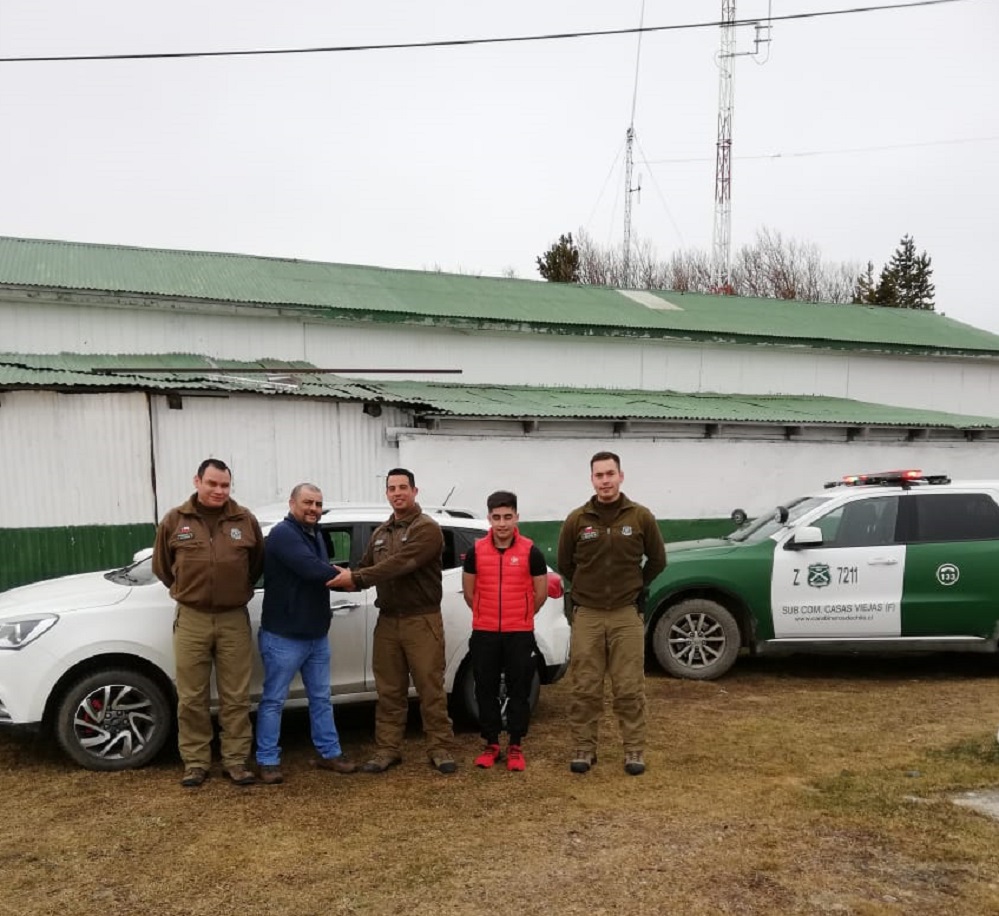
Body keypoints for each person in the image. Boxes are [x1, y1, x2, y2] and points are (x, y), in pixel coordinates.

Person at [328, 468, 457, 774]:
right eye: (391, 488)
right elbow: (363, 569)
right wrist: (333, 575)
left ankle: (440, 747)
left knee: (430, 687)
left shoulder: (428, 529)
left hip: (421, 620)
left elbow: (400, 565)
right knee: (388, 689)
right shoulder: (380, 533)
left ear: (415, 491)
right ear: (386, 493)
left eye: (403, 487)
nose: (397, 492)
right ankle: (388, 749)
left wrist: (357, 577)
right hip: (388, 621)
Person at [152, 458, 264, 788]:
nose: (219, 490)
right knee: (191, 696)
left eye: (225, 485)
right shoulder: (175, 520)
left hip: (233, 618)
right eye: (212, 483)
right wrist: (189, 590)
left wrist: (234, 589)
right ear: (197, 481)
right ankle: (196, 762)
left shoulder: (245, 520)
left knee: (236, 695)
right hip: (192, 618)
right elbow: (163, 567)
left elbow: (256, 565)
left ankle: (235, 761)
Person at [557, 451, 666, 777]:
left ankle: (633, 749)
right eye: (599, 475)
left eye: (610, 474)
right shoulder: (577, 519)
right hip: (588, 615)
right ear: (592, 479)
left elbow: (658, 560)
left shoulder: (640, 517)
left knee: (629, 687)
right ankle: (583, 748)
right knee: (585, 686)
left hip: (625, 616)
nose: (605, 481)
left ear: (621, 476)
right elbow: (565, 564)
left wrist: (636, 588)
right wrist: (584, 591)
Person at [255, 483, 358, 785]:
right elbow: (311, 569)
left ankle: (329, 753)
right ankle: (268, 760)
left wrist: (334, 571)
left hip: (316, 635)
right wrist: (350, 579)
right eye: (307, 503)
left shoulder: (314, 533)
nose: (313, 509)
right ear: (292, 503)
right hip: (283, 636)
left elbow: (319, 567)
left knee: (321, 698)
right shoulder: (283, 534)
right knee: (274, 700)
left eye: (318, 504)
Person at [462, 490, 549, 772]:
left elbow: (541, 592)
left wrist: (522, 615)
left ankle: (515, 745)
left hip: (519, 633)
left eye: (507, 517)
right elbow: (469, 592)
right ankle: (491, 744)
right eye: (496, 517)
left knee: (519, 689)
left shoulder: (530, 551)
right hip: (485, 632)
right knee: (485, 689)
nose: (502, 523)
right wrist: (485, 614)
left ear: (516, 517)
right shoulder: (476, 552)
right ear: (489, 518)